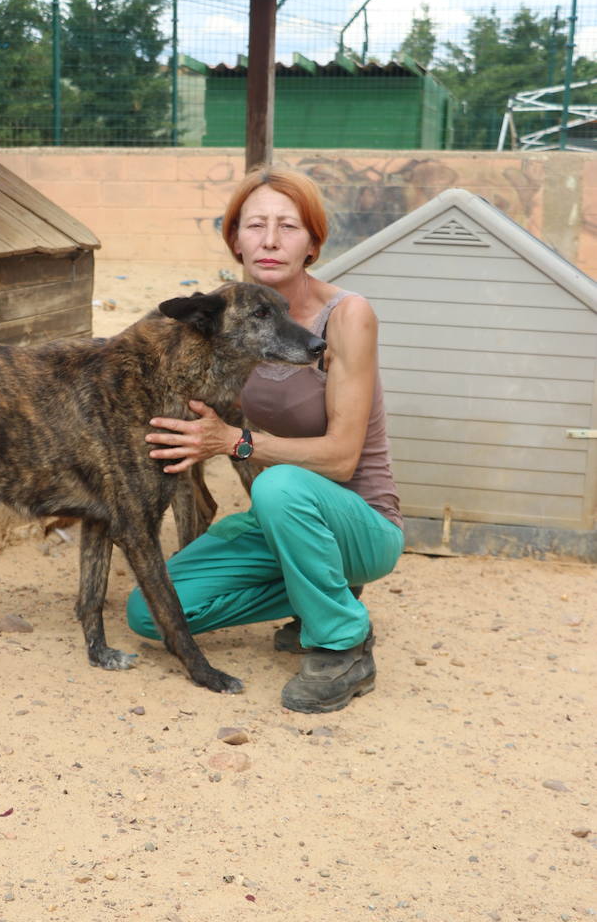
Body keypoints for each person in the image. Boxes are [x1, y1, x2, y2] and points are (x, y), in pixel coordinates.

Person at [126, 166, 404, 713]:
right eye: (255, 225)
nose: (271, 240)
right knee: (148, 612)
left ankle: (342, 644)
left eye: (289, 226)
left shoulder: (347, 316)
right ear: (235, 239)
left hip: (360, 519)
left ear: (313, 243)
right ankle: (324, 588)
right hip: (286, 522)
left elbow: (343, 458)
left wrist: (232, 441)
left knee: (277, 487)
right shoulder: (226, 320)